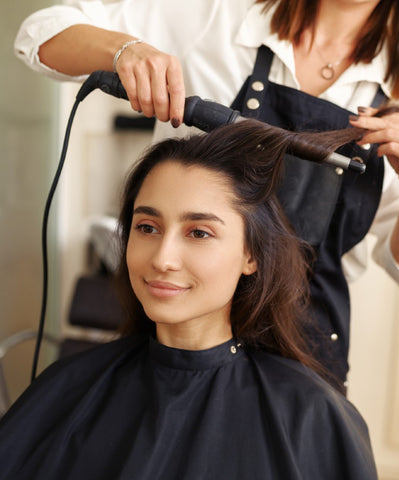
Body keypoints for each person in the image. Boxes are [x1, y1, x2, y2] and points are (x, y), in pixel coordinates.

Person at [14, 0, 399, 392]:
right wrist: (124, 49)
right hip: (179, 337)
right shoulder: (220, 15)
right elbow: (39, 34)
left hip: (305, 357)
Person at [0, 120, 378, 480]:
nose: (162, 258)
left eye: (198, 232)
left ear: (251, 255)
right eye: (147, 227)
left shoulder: (312, 415)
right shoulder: (68, 389)